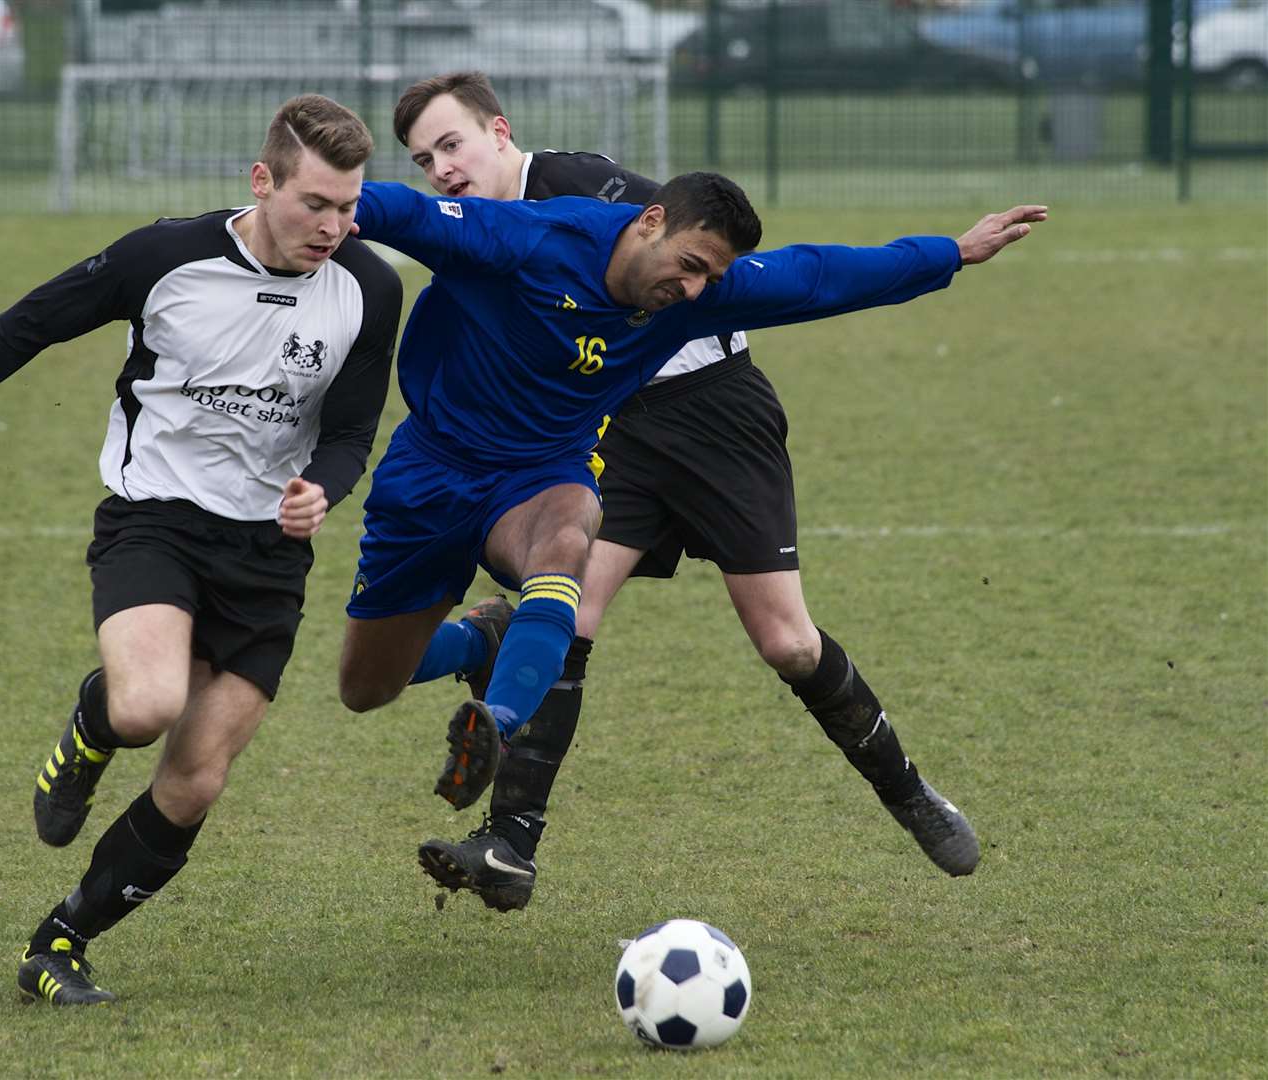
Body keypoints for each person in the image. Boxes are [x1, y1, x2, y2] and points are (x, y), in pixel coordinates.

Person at [334, 122, 1043, 895]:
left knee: (737, 623)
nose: (698, 289)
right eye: (690, 267)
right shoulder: (527, 239)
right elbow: (401, 214)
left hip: (668, 433)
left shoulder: (693, 292)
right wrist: (318, 205)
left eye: (711, 275)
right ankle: (482, 653)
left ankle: (499, 754)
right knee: (367, 687)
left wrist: (950, 252)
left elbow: (815, 276)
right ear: (648, 224)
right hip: (461, 462)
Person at [0, 95, 403, 1004]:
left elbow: (353, 429)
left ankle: (61, 942)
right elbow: (24, 327)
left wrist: (324, 486)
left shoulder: (370, 286)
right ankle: (92, 727)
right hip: (154, 521)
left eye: (347, 207)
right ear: (262, 181)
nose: (333, 226)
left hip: (268, 558)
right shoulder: (162, 258)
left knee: (196, 779)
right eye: (313, 204)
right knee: (145, 708)